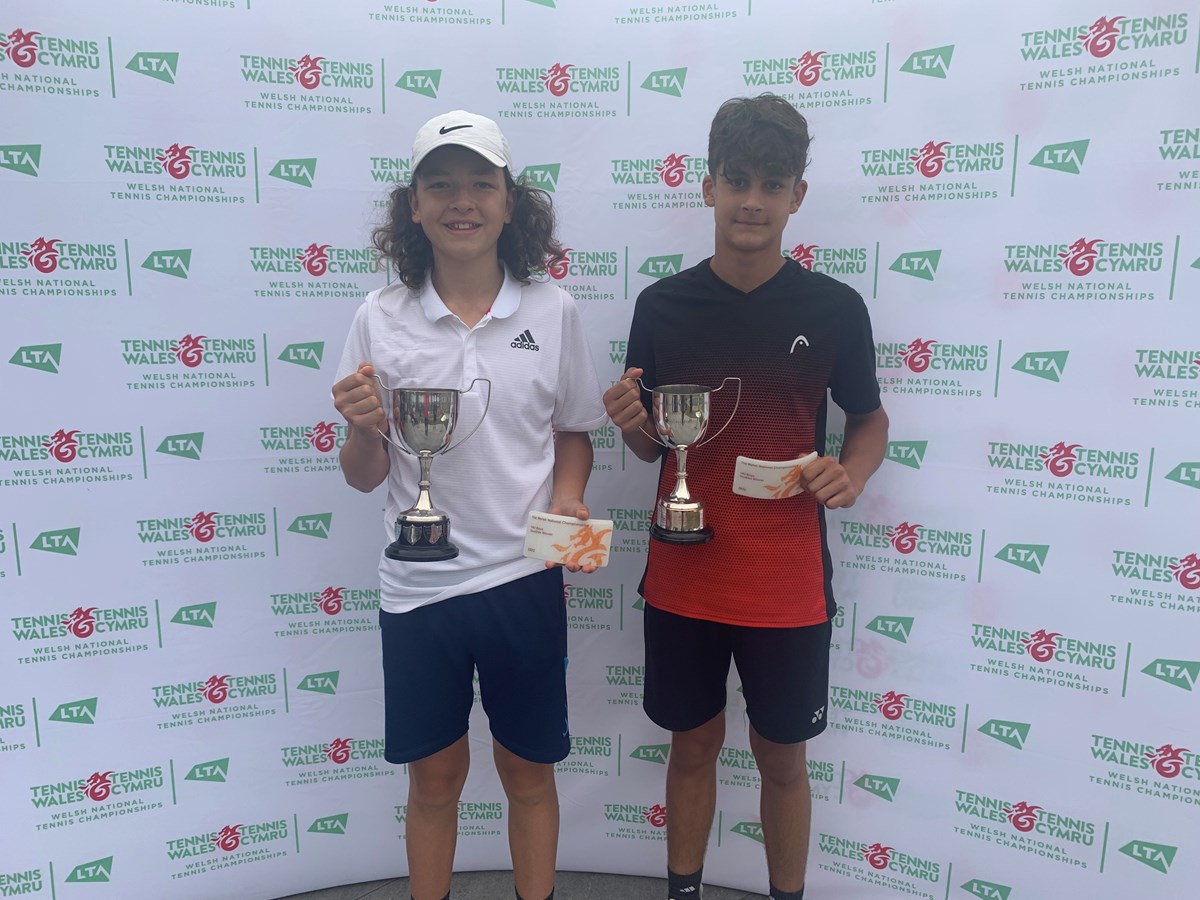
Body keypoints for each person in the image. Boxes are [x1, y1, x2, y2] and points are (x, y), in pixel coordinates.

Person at [602, 94, 889, 900]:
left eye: (772, 183)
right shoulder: (661, 306)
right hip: (684, 577)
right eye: (737, 181)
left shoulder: (836, 309)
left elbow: (868, 422)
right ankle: (683, 891)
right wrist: (629, 423)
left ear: (798, 194)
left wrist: (852, 473)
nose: (752, 200)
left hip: (787, 586)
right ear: (709, 188)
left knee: (783, 760)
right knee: (691, 750)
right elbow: (660, 448)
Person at [332, 110, 607, 900]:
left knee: (527, 769)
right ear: (412, 206)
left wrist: (569, 498)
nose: (463, 201)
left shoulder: (553, 312)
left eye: (481, 183)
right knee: (435, 775)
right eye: (440, 185)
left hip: (523, 579)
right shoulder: (377, 318)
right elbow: (362, 475)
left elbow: (574, 431)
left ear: (509, 202)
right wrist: (360, 428)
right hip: (418, 586)